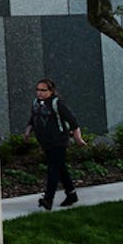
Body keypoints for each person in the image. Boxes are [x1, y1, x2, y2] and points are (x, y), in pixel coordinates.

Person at [24, 78, 85, 210]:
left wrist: (78, 139)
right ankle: (71, 194)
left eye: (43, 90)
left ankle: (48, 198)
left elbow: (73, 121)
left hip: (58, 141)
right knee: (60, 167)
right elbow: (33, 118)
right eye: (38, 90)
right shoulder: (36, 103)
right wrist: (28, 131)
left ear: (51, 91)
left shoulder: (57, 103)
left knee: (53, 169)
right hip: (45, 141)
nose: (39, 93)